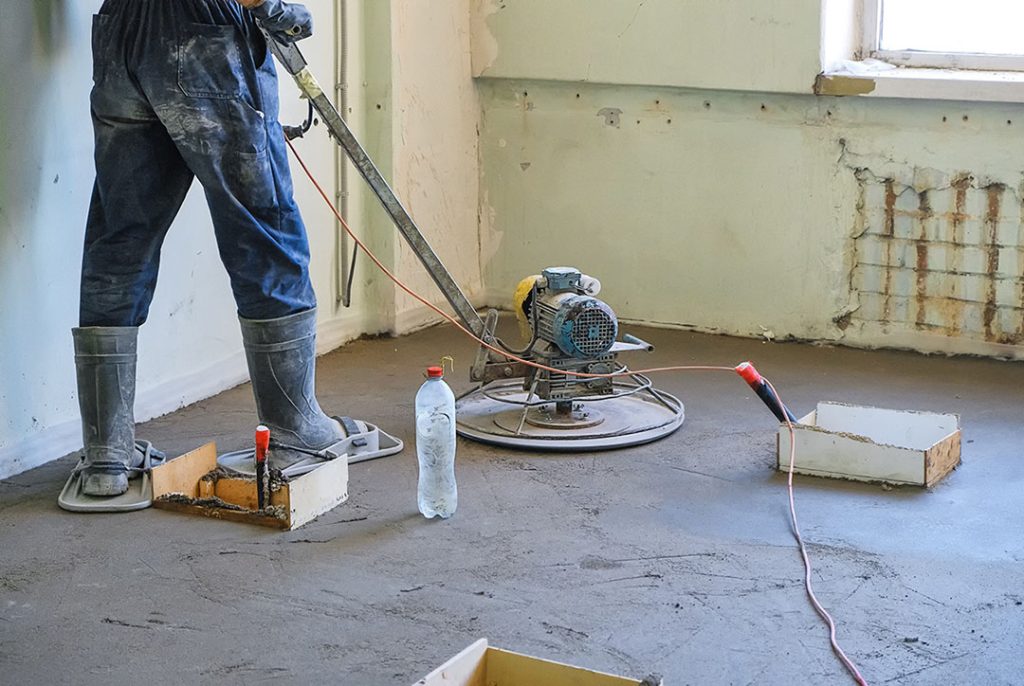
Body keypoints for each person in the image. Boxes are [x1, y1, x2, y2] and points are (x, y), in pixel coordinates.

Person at [70, 0, 344, 501]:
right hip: (206, 37)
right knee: (264, 231)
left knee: (120, 238)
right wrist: (280, 11)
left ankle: (107, 456)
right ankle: (293, 429)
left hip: (119, 35)